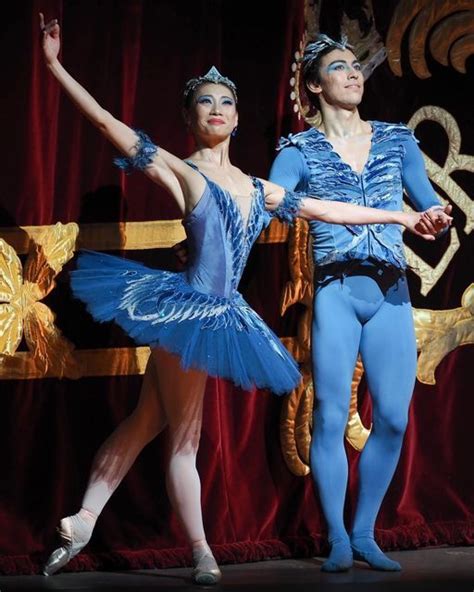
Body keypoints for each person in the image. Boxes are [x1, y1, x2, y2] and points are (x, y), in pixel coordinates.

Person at [39, 16, 450, 585]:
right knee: (183, 435)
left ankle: (85, 520)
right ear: (189, 117)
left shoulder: (261, 189)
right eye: (204, 102)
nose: (216, 109)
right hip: (189, 312)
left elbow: (330, 209)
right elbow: (111, 125)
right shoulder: (183, 172)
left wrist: (403, 214)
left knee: (148, 420)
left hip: (226, 313)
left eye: (225, 102)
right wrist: (56, 67)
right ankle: (202, 552)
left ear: (237, 117)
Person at [269, 34, 452, 573]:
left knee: (393, 418)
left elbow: (425, 199)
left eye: (355, 66)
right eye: (339, 68)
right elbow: (276, 200)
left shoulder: (397, 141)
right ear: (314, 84)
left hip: (391, 292)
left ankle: (365, 531)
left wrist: (435, 215)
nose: (353, 74)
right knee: (328, 417)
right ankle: (338, 539)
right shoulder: (299, 150)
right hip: (337, 294)